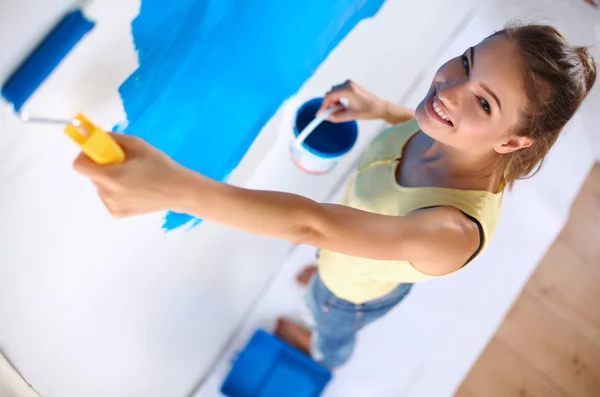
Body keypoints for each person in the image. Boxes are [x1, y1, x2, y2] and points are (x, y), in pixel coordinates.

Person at [74, 24, 596, 369]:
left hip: (352, 295)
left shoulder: (451, 233)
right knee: (328, 264)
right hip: (349, 253)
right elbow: (419, 125)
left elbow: (314, 225)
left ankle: (322, 350)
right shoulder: (450, 130)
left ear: (510, 142)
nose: (449, 89)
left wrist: (175, 188)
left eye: (483, 101)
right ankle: (323, 279)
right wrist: (381, 108)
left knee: (328, 315)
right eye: (465, 61)